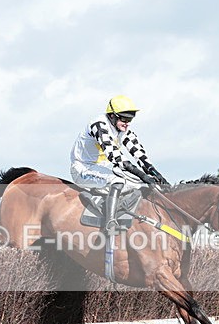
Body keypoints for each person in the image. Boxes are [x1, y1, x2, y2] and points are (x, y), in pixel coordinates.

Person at [70, 95, 169, 233]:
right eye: (124, 119)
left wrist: (155, 173)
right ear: (112, 116)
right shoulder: (99, 125)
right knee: (117, 181)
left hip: (102, 167)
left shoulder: (123, 130)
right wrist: (143, 175)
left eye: (130, 119)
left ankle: (119, 208)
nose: (127, 123)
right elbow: (115, 157)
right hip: (82, 168)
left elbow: (139, 154)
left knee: (141, 184)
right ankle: (109, 222)